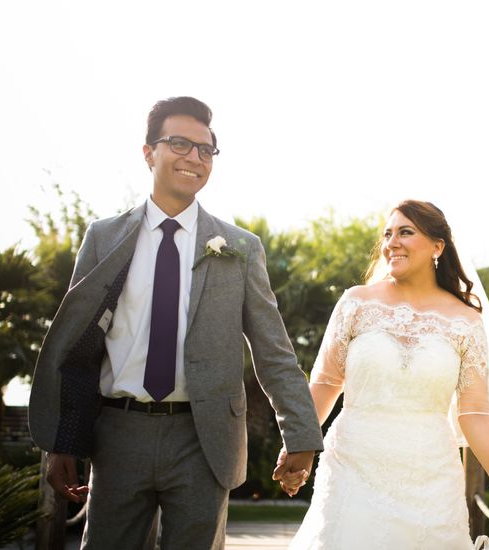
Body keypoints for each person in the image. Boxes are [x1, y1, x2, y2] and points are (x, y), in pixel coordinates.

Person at [28, 96, 323, 549]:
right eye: (180, 143)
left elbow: (273, 350)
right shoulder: (102, 238)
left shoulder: (240, 248)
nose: (195, 158)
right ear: (149, 152)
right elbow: (77, 348)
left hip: (204, 439)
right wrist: (62, 441)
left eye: (206, 150)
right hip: (118, 433)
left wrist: (301, 433)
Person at [281, 200, 489, 549]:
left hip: (431, 478)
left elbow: (474, 412)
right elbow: (325, 382)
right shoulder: (356, 303)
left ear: (437, 247)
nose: (391, 242)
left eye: (405, 232)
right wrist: (299, 441)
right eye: (387, 234)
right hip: (353, 467)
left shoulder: (465, 321)